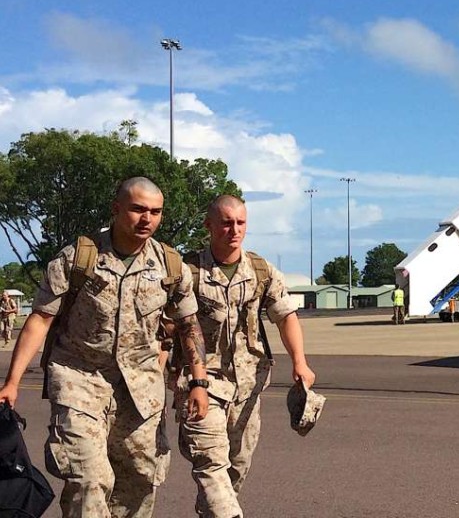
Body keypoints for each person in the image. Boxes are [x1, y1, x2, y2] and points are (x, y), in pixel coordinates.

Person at [0, 176, 210, 518]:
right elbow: (40, 318)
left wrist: (199, 383)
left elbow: (188, 324)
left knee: (140, 481)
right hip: (79, 380)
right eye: (138, 209)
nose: (147, 219)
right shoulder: (79, 258)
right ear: (116, 209)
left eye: (155, 212)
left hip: (141, 388)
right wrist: (13, 381)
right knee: (89, 478)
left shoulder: (170, 266)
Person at [174, 195, 314, 518]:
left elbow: (285, 315)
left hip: (248, 388)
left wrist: (299, 361)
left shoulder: (260, 270)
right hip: (201, 384)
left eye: (240, 223)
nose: (233, 230)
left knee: (236, 469)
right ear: (209, 226)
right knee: (211, 464)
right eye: (225, 223)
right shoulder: (189, 272)